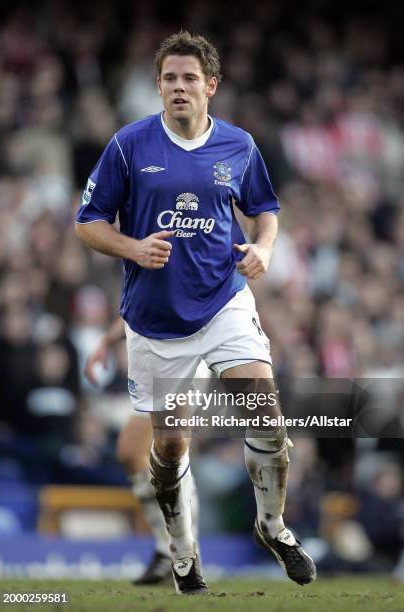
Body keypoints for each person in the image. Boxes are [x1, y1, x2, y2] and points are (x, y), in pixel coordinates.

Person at [75, 30, 316, 595]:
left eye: (189, 79)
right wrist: (134, 248)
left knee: (265, 407)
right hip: (156, 323)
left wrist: (263, 249)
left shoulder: (239, 145)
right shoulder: (129, 145)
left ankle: (273, 525)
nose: (178, 88)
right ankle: (184, 558)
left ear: (211, 86)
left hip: (224, 299)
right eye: (169, 79)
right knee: (170, 445)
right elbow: (88, 223)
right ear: (158, 86)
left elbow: (265, 212)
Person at [84, 315, 202, 585]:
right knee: (130, 453)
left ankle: (185, 555)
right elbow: (135, 303)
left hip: (191, 354)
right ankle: (168, 548)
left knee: (174, 450)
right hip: (154, 357)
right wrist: (107, 340)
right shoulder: (141, 274)